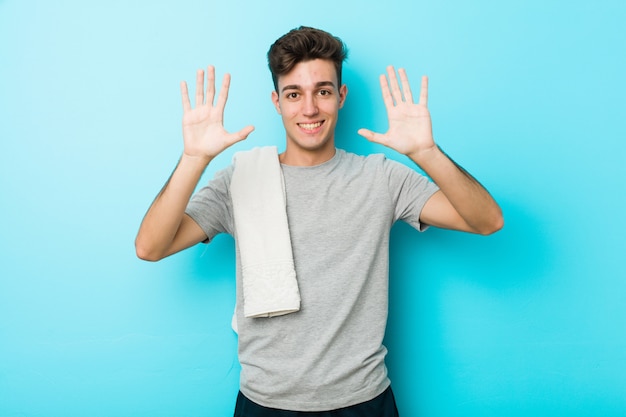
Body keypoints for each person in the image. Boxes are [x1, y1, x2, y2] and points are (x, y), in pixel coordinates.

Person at [135, 26, 503, 416]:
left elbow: (487, 221)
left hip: (364, 400)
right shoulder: (240, 180)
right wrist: (194, 160)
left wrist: (427, 152)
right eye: (294, 94)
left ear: (341, 97)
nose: (309, 109)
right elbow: (151, 247)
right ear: (277, 102)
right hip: (265, 402)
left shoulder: (382, 177)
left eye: (322, 91)